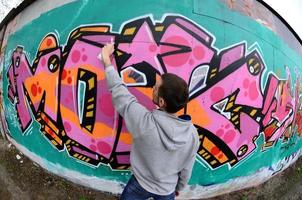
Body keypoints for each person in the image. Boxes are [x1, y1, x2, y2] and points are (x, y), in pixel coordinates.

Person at [99, 43, 200, 200]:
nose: (152, 87)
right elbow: (187, 168)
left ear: (161, 101)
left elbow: (120, 92)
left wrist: (106, 61)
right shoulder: (192, 134)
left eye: (155, 87)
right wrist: (179, 188)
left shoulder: (145, 122)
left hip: (140, 184)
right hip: (167, 190)